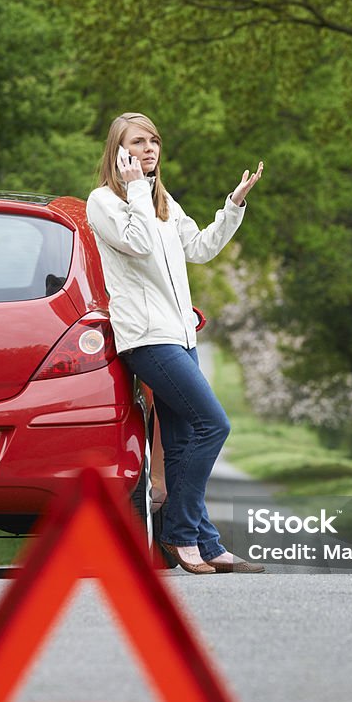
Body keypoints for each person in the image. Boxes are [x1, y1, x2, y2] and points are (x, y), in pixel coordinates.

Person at [86, 111, 265, 574]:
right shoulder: (103, 201)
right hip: (146, 338)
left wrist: (233, 206)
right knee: (214, 424)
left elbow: (201, 248)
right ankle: (181, 534)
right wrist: (138, 190)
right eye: (137, 142)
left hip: (181, 334)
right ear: (117, 151)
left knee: (184, 440)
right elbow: (140, 245)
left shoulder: (164, 201)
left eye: (153, 142)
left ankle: (205, 544)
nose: (148, 149)